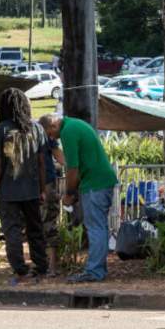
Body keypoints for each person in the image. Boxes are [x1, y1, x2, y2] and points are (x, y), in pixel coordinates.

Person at [40, 114, 118, 283]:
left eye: (50, 134)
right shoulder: (75, 124)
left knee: (95, 228)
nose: (52, 138)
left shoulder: (68, 131)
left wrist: (69, 193)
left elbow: (72, 168)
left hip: (95, 183)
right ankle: (98, 269)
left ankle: (94, 271)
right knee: (99, 227)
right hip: (99, 181)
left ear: (53, 126)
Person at [0, 89, 49, 283]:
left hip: (8, 192)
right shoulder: (37, 129)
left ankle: (21, 270)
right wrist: (42, 189)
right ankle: (41, 268)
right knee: (35, 229)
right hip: (31, 189)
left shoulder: (1, 131)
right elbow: (41, 163)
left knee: (12, 231)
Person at [41, 135, 66, 276]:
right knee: (50, 225)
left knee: (34, 226)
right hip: (47, 184)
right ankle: (52, 267)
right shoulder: (46, 135)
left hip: (27, 186)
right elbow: (62, 159)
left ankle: (39, 265)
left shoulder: (20, 134)